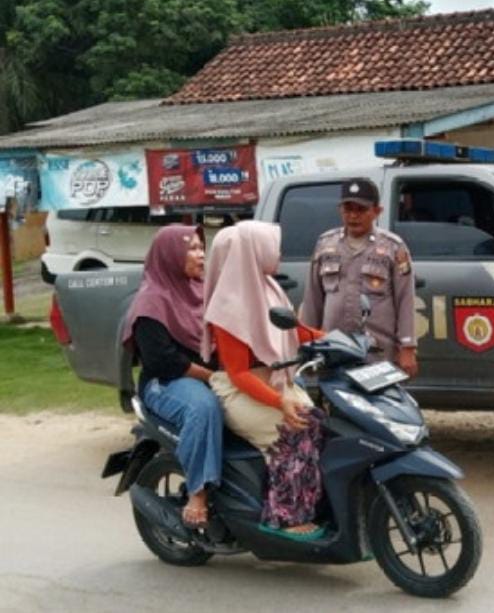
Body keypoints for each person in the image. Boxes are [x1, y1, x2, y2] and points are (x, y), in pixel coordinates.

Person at [202, 220, 324, 540]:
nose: (279, 252)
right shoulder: (228, 307)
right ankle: (283, 516)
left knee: (324, 424)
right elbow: (239, 373)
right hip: (241, 392)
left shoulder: (268, 288)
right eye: (272, 246)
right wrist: (279, 402)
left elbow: (296, 331)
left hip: (277, 383)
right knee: (296, 432)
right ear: (253, 251)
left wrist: (341, 341)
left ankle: (312, 502)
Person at [121, 225, 220, 528]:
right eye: (191, 248)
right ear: (170, 255)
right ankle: (198, 492)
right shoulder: (151, 301)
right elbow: (163, 360)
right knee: (203, 408)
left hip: (203, 375)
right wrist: (213, 378)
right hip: (164, 383)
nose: (201, 254)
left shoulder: (202, 290)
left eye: (202, 247)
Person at [300, 178, 418, 377]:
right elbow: (313, 299)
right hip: (334, 349)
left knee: (378, 406)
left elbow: (405, 300)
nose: (353, 216)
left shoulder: (393, 247)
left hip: (377, 353)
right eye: (348, 209)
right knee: (335, 404)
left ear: (376, 211)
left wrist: (407, 347)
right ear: (340, 210)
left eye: (361, 210)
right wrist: (307, 345)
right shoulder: (325, 244)